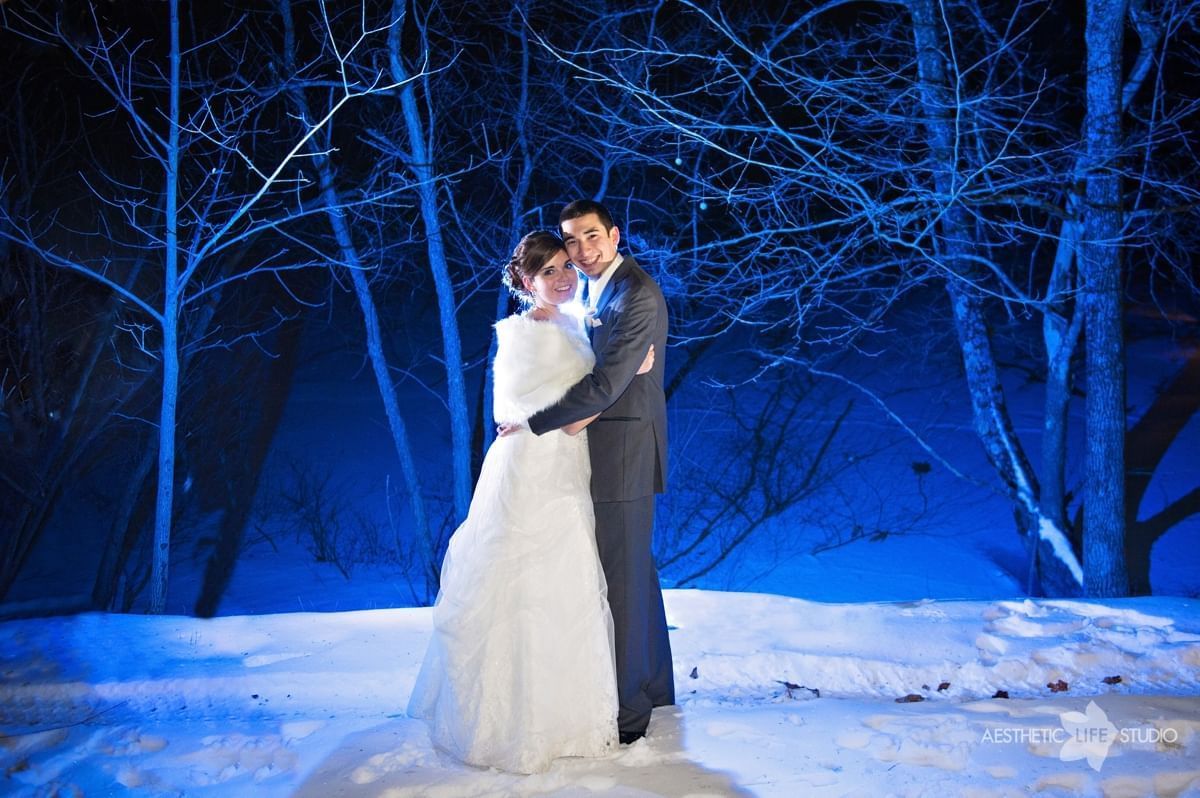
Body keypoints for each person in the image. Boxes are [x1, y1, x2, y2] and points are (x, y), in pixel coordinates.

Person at [407, 231, 653, 774]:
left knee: (565, 587)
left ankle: (568, 716)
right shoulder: (523, 333)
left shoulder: (572, 322)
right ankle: (515, 723)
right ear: (524, 281)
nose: (563, 278)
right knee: (529, 588)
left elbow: (580, 396)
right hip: (535, 471)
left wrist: (613, 375)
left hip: (565, 467)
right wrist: (624, 376)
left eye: (566, 266)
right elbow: (555, 417)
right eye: (548, 272)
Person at [507, 200, 675, 745]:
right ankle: (654, 689)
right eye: (572, 241)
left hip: (622, 454)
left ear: (614, 235)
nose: (582, 251)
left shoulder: (635, 294)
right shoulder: (598, 294)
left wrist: (533, 422)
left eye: (591, 236)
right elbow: (603, 372)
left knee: (623, 585)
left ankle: (628, 717)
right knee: (635, 576)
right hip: (598, 454)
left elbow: (603, 386)